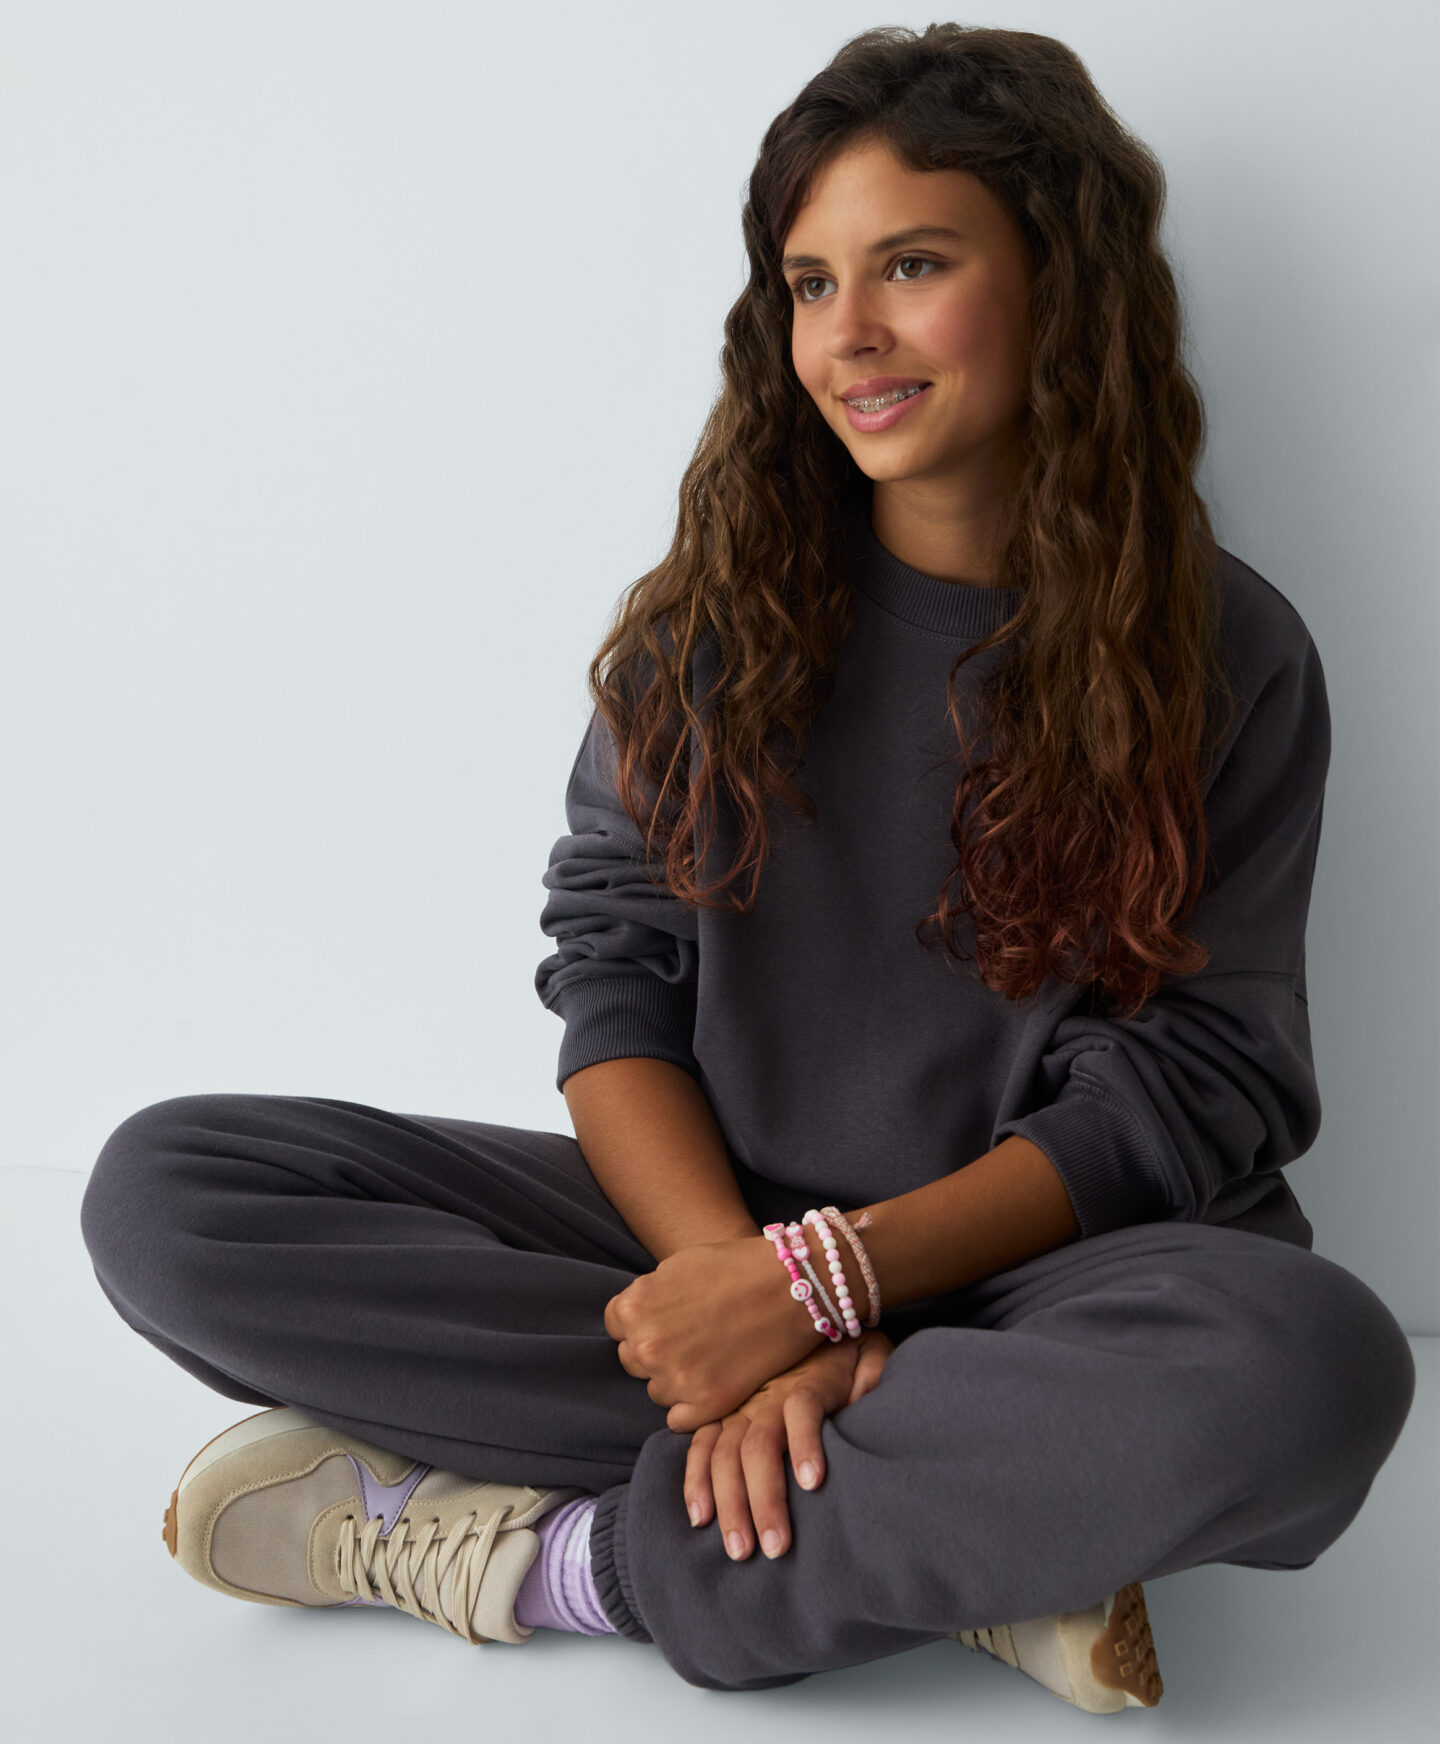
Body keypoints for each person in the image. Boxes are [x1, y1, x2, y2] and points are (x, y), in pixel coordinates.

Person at [79, 21, 1416, 1708]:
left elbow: (1192, 1085)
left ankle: (580, 1565)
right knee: (169, 1191)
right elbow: (614, 986)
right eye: (808, 282)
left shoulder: (1229, 654)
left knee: (1311, 1367)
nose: (847, 334)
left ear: (1059, 284)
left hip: (1042, 1283)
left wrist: (832, 1289)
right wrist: (742, 1291)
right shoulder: (712, 630)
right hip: (699, 1234)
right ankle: (959, 1533)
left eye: (912, 265)